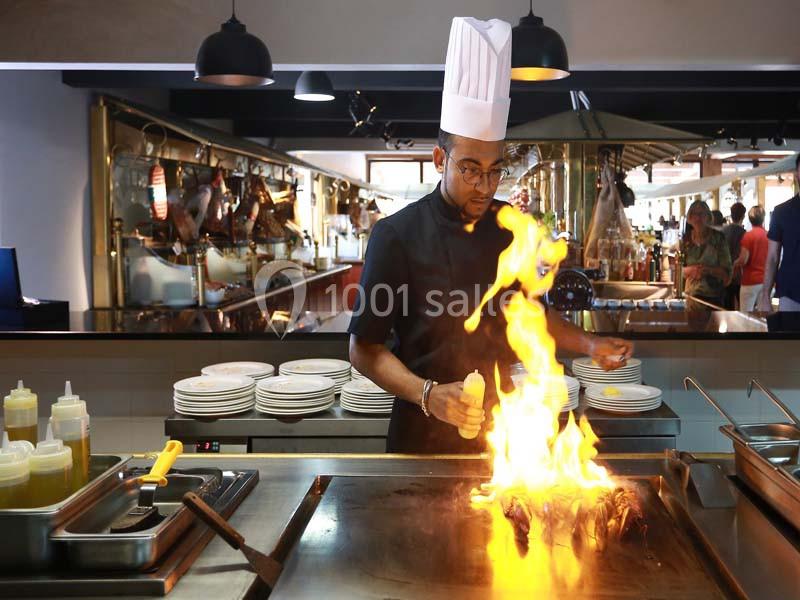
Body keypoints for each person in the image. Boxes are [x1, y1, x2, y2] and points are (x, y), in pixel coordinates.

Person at [347, 17, 633, 454]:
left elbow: (529, 315)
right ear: (440, 158)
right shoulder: (396, 235)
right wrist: (428, 394)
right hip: (420, 439)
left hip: (501, 440)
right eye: (470, 170)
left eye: (495, 170)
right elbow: (363, 350)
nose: (484, 186)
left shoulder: (508, 228)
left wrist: (589, 343)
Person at [758, 154, 800, 311]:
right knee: (791, 335)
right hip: (791, 293)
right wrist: (764, 295)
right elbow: (773, 257)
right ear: (797, 173)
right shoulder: (782, 212)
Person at [683, 200, 732, 310]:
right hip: (691, 299)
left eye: (701, 214)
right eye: (695, 214)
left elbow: (727, 273)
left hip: (714, 299)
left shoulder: (719, 239)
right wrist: (690, 270)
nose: (698, 218)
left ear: (708, 217)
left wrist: (709, 270)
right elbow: (678, 270)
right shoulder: (686, 240)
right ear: (690, 218)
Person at [735, 206, 768, 311]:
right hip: (766, 281)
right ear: (763, 218)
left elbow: (743, 259)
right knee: (763, 316)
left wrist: (733, 263)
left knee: (746, 314)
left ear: (749, 219)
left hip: (750, 282)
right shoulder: (769, 235)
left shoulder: (748, 236)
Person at [722, 202, 746, 309]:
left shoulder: (724, 231)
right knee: (741, 305)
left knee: (728, 305)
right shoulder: (744, 233)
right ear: (743, 216)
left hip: (725, 272)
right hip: (738, 273)